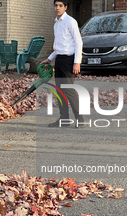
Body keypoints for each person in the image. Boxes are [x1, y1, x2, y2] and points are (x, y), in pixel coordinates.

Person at [40, 0, 85, 128]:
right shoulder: (56, 24)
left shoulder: (70, 21)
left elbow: (78, 43)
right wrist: (49, 58)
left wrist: (77, 62)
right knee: (60, 91)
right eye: (55, 5)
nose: (57, 8)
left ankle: (80, 118)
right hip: (59, 59)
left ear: (65, 7)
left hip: (69, 60)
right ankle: (64, 119)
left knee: (69, 90)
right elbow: (59, 46)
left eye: (60, 6)